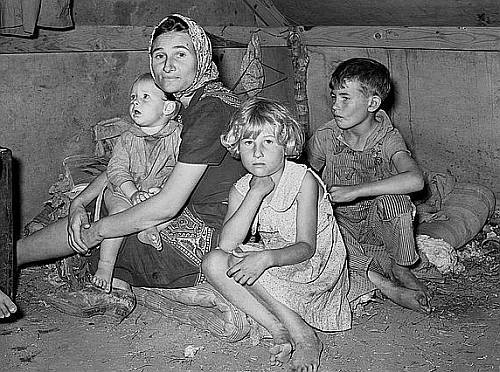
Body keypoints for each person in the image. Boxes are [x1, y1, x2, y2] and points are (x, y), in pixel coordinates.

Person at [6, 14, 247, 331]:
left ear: (201, 57)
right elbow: (124, 164)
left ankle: (10, 258)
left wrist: (100, 229)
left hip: (206, 241)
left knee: (97, 238)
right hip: (201, 220)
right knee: (100, 205)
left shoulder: (208, 111)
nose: (168, 66)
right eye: (159, 55)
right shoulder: (195, 103)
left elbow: (167, 206)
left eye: (180, 54)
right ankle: (13, 256)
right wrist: (78, 202)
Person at [202, 97, 351, 371]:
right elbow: (226, 243)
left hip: (314, 265)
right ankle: (276, 327)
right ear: (237, 146)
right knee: (214, 261)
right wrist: (255, 192)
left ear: (286, 145)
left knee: (240, 261)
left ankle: (304, 335)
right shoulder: (242, 188)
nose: (257, 152)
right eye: (248, 142)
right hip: (276, 260)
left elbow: (306, 247)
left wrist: (266, 258)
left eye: (268, 142)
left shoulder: (303, 180)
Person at [307, 57, 431, 313]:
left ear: (373, 103)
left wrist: (356, 191)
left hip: (377, 228)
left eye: (345, 98)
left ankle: (401, 267)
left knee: (396, 202)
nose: (335, 107)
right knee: (321, 229)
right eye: (333, 98)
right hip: (341, 227)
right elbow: (305, 176)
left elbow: (415, 179)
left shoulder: (387, 139)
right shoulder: (325, 138)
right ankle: (387, 286)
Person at [92, 72, 182, 293]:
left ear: (168, 109)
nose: (135, 103)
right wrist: (131, 192)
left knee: (171, 210)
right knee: (120, 216)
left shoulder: (178, 136)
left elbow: (183, 169)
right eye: (133, 97)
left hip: (155, 192)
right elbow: (116, 169)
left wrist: (164, 188)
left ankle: (149, 228)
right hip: (123, 191)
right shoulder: (127, 138)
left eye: (144, 97)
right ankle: (106, 265)